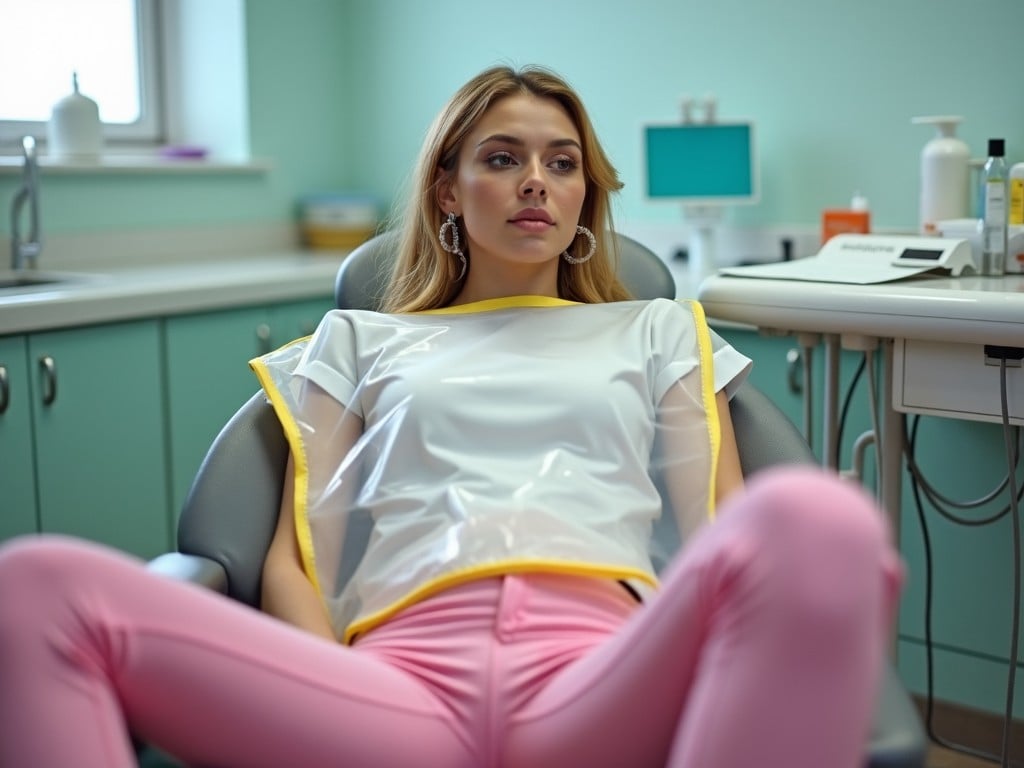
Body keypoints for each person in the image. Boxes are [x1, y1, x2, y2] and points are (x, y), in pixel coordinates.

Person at [0, 65, 901, 768]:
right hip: (392, 684)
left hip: (599, 672)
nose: (535, 183)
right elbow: (294, 554)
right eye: (502, 158)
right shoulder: (355, 340)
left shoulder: (657, 328)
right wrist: (338, 685)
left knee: (818, 519)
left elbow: (719, 529)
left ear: (587, 195)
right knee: (31, 586)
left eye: (561, 163)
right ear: (446, 188)